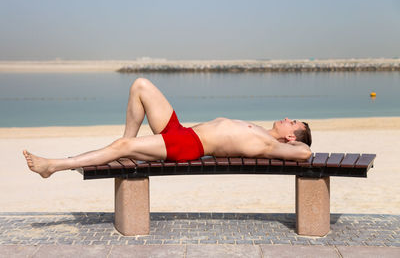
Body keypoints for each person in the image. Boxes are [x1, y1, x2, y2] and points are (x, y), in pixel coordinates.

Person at [23, 78, 312, 178]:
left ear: (290, 135)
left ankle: (54, 166)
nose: (288, 118)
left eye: (293, 122)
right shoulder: (262, 132)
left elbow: (306, 153)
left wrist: (295, 144)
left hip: (188, 146)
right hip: (181, 132)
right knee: (140, 85)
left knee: (121, 148)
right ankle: (126, 146)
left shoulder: (271, 145)